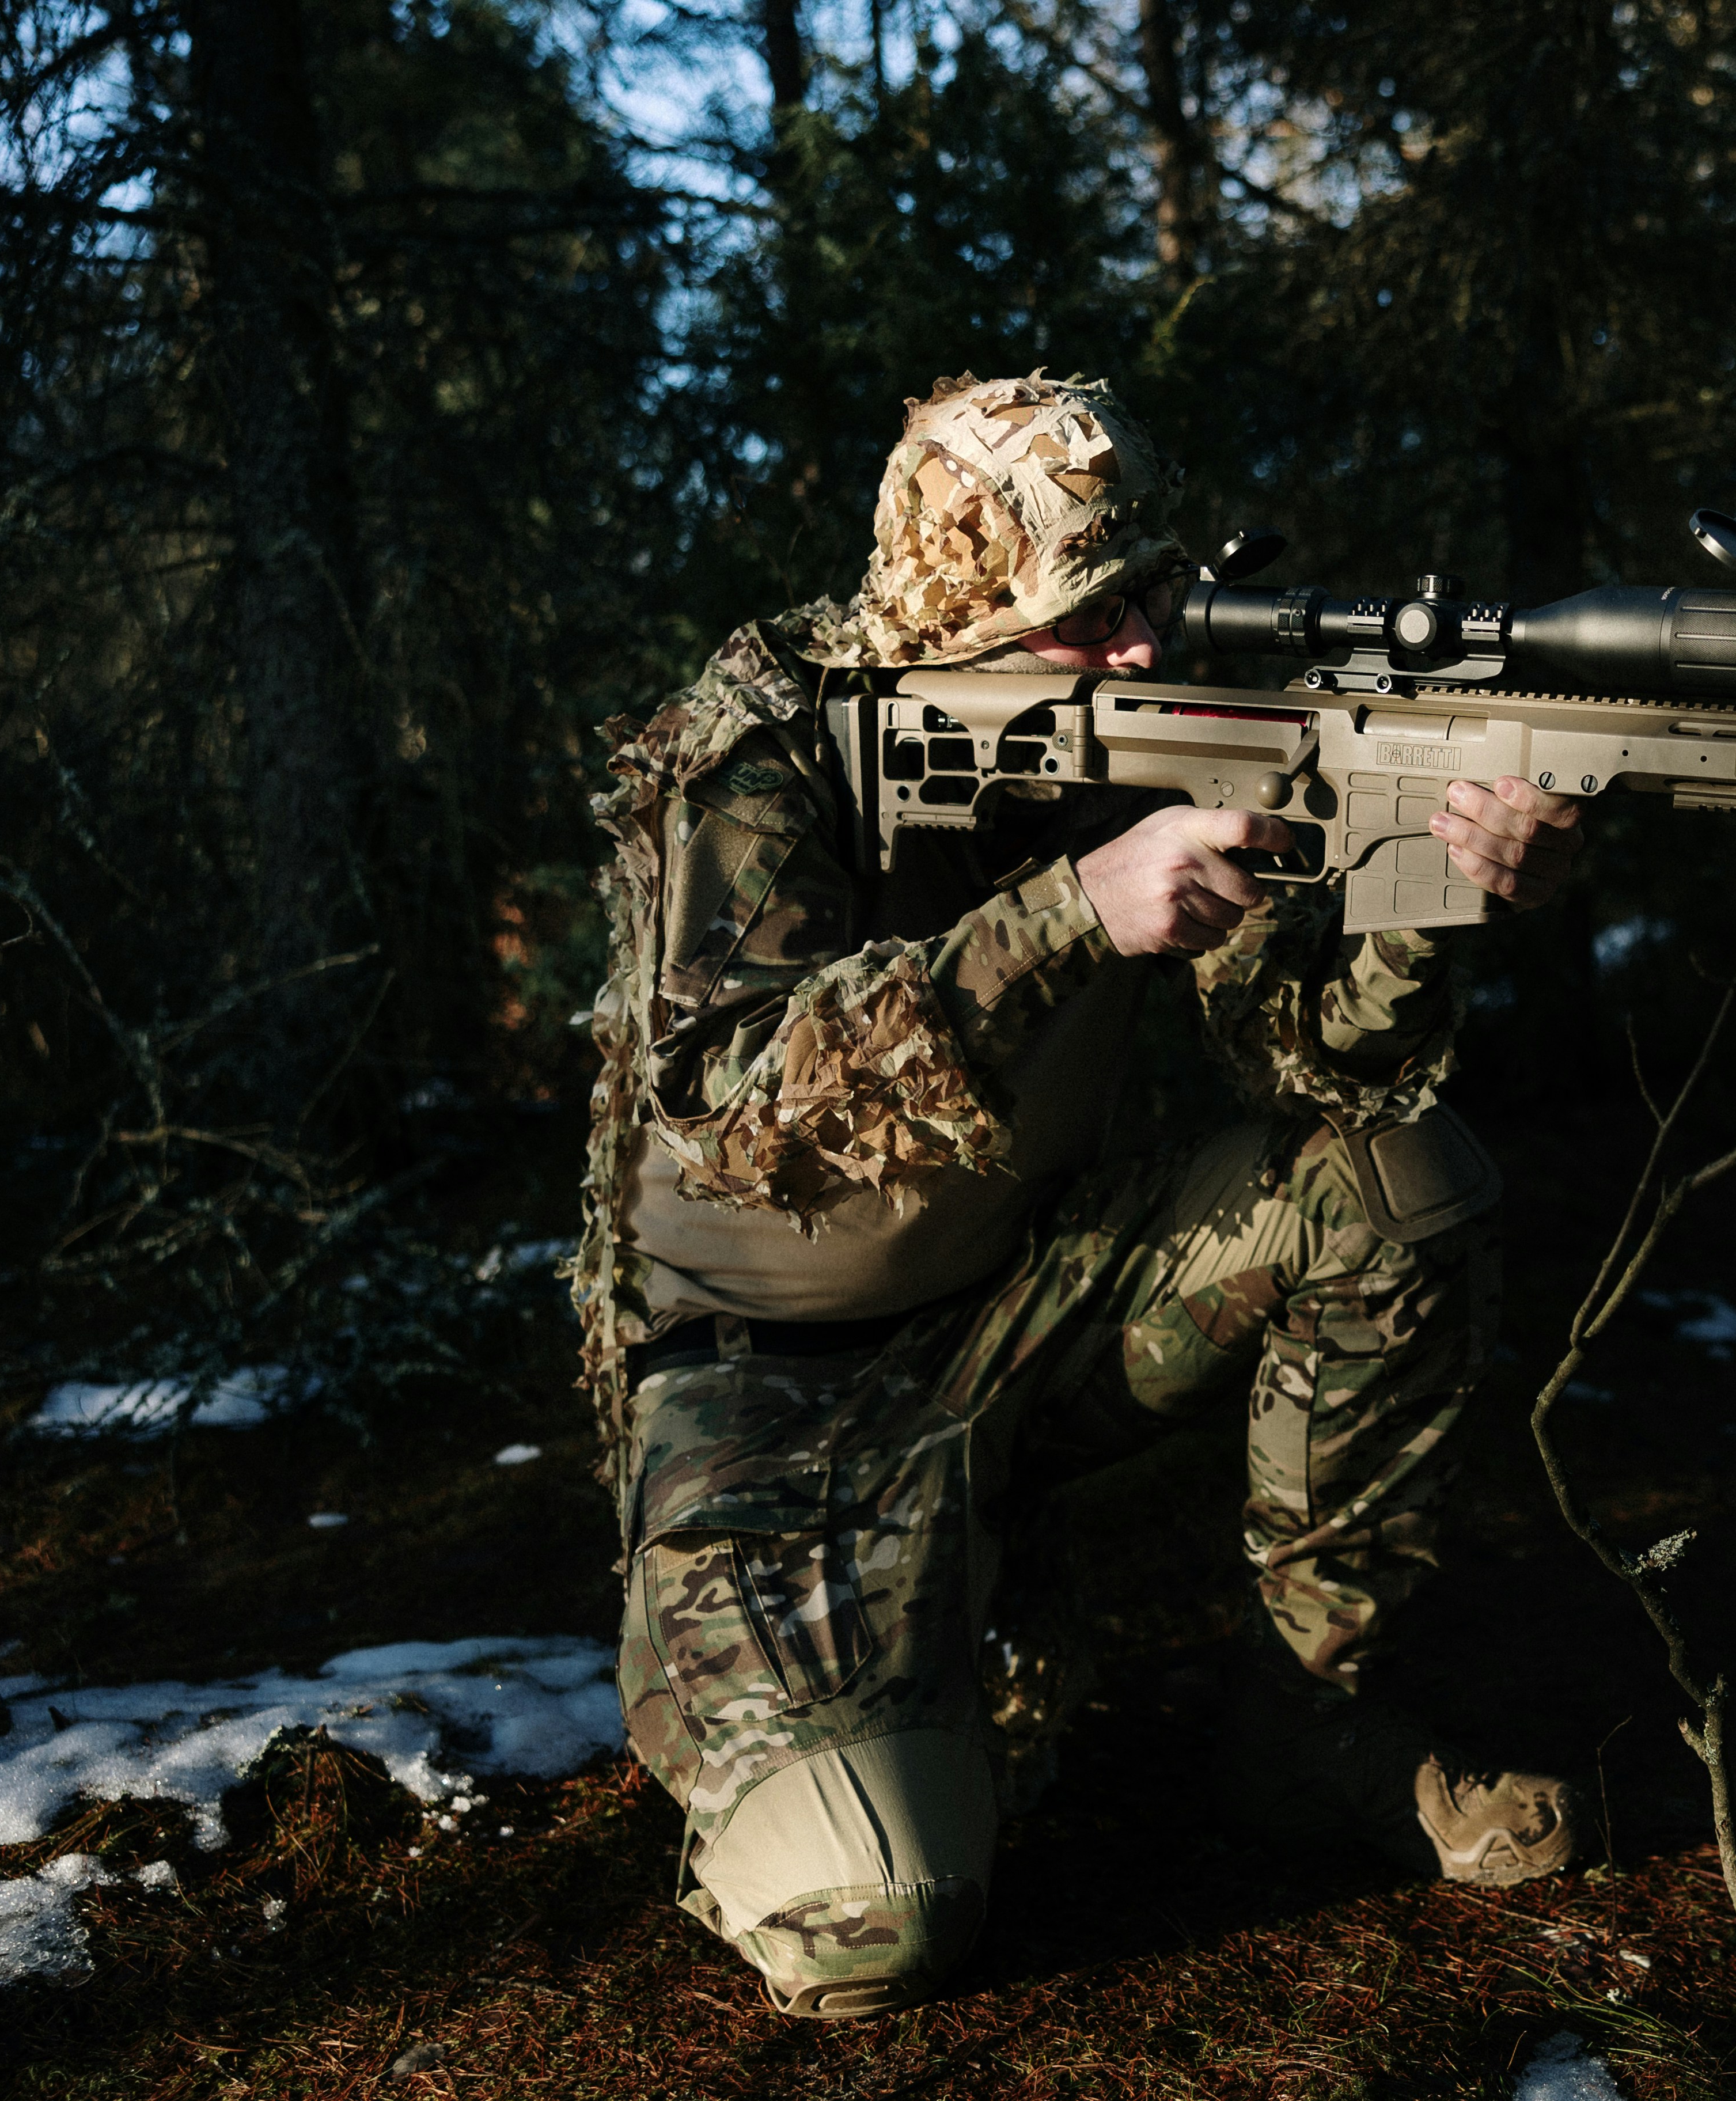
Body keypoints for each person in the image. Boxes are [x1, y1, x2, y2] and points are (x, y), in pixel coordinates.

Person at [569, 371, 1587, 2019]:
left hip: (1033, 1304)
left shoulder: (1160, 727)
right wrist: (1069, 913)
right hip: (769, 1395)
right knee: (874, 1932)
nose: (1140, 644)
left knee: (1393, 1181)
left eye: (1154, 595)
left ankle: (1309, 1719)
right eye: (1084, 615)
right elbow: (725, 1100)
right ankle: (897, 1640)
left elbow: (1314, 1076)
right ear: (958, 611)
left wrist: (1429, 886)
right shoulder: (765, 752)